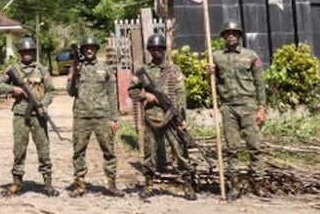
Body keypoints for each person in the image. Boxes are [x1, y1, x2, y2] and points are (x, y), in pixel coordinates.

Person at [128, 33, 196, 200]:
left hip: (171, 117)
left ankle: (188, 186)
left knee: (180, 152)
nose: (157, 51)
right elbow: (132, 90)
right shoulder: (143, 71)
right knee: (149, 153)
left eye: (160, 48)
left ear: (164, 50)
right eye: (154, 48)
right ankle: (149, 185)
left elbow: (180, 95)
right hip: (152, 117)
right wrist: (146, 96)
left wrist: (182, 119)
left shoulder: (174, 70)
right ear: (150, 50)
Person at [207, 20, 267, 201]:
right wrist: (209, 73)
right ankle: (234, 185)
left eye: (234, 32)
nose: (231, 35)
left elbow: (259, 83)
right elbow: (212, 85)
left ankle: (258, 183)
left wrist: (262, 108)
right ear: (224, 36)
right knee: (232, 148)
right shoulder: (216, 57)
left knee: (255, 146)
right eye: (228, 33)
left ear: (239, 36)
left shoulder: (250, 55)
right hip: (229, 108)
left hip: (248, 106)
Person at [0, 37, 58, 197]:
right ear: (21, 53)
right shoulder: (13, 69)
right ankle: (17, 182)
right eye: (25, 52)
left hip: (39, 115)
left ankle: (48, 183)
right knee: (19, 149)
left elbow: (50, 90)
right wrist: (14, 89)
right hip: (20, 115)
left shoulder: (42, 70)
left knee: (43, 149)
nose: (28, 54)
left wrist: (43, 104)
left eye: (30, 51)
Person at [66, 34, 122, 197]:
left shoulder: (105, 68)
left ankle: (112, 185)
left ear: (96, 50)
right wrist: (75, 73)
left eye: (92, 48)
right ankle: (80, 184)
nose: (89, 50)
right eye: (86, 48)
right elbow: (70, 92)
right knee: (78, 151)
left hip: (102, 116)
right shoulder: (76, 68)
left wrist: (114, 118)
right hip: (81, 116)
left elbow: (112, 94)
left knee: (109, 151)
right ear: (82, 50)